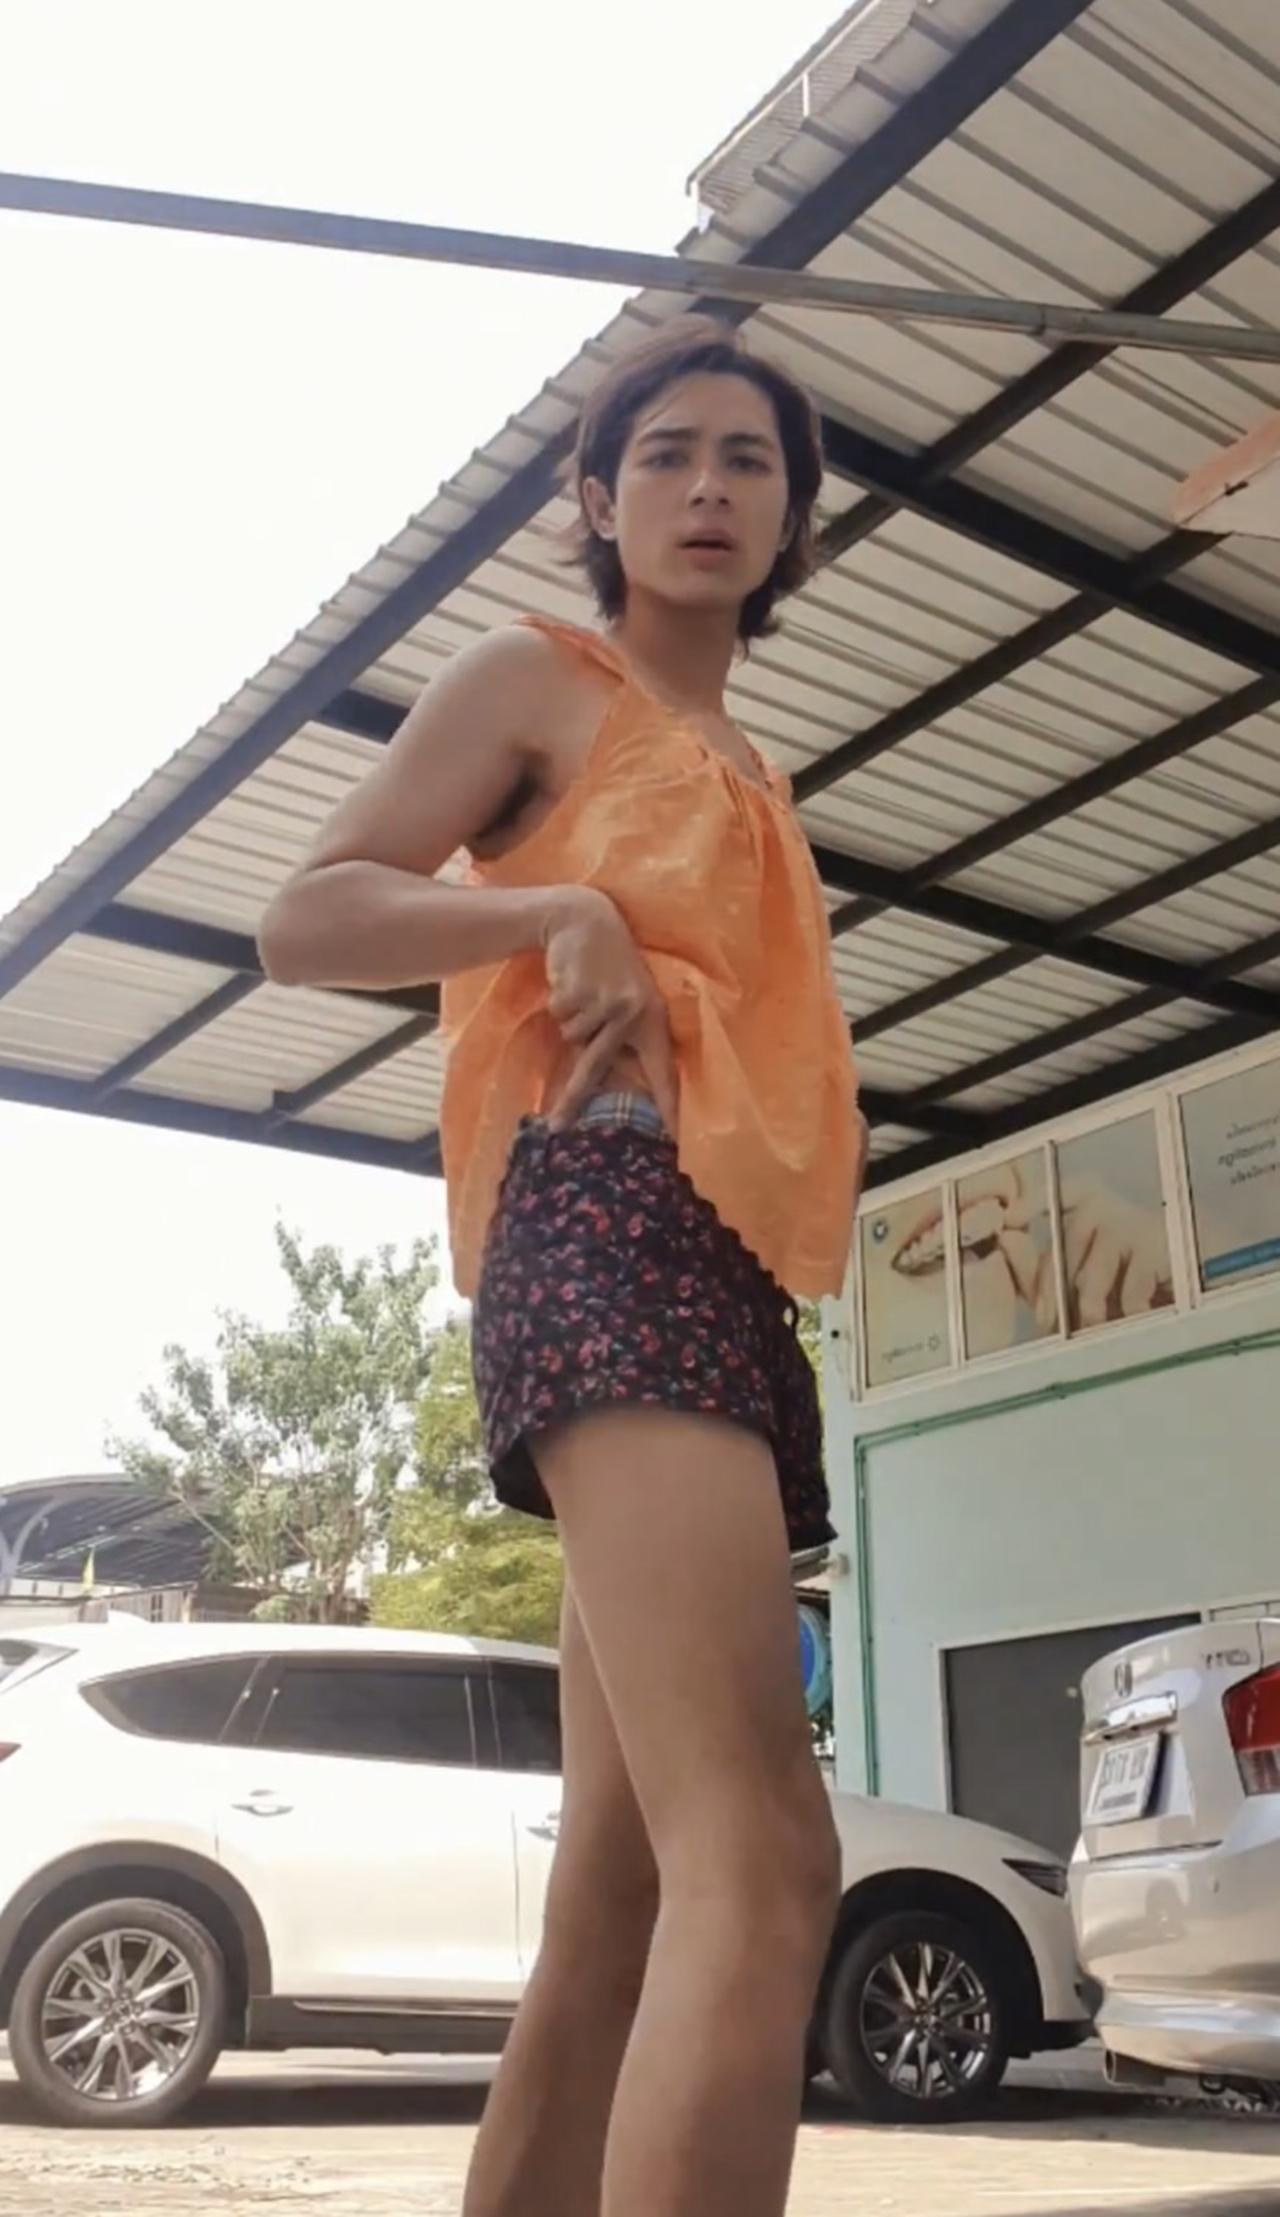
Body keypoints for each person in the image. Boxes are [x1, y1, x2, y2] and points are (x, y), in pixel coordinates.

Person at [258, 314, 866, 2217]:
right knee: (766, 1856)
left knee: (624, 1881)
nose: (708, 487)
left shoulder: (753, 765)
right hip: (607, 1228)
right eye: (666, 453)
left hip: (724, 1274)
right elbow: (304, 914)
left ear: (792, 519)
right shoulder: (537, 677)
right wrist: (557, 908)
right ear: (598, 501)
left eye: (749, 460)